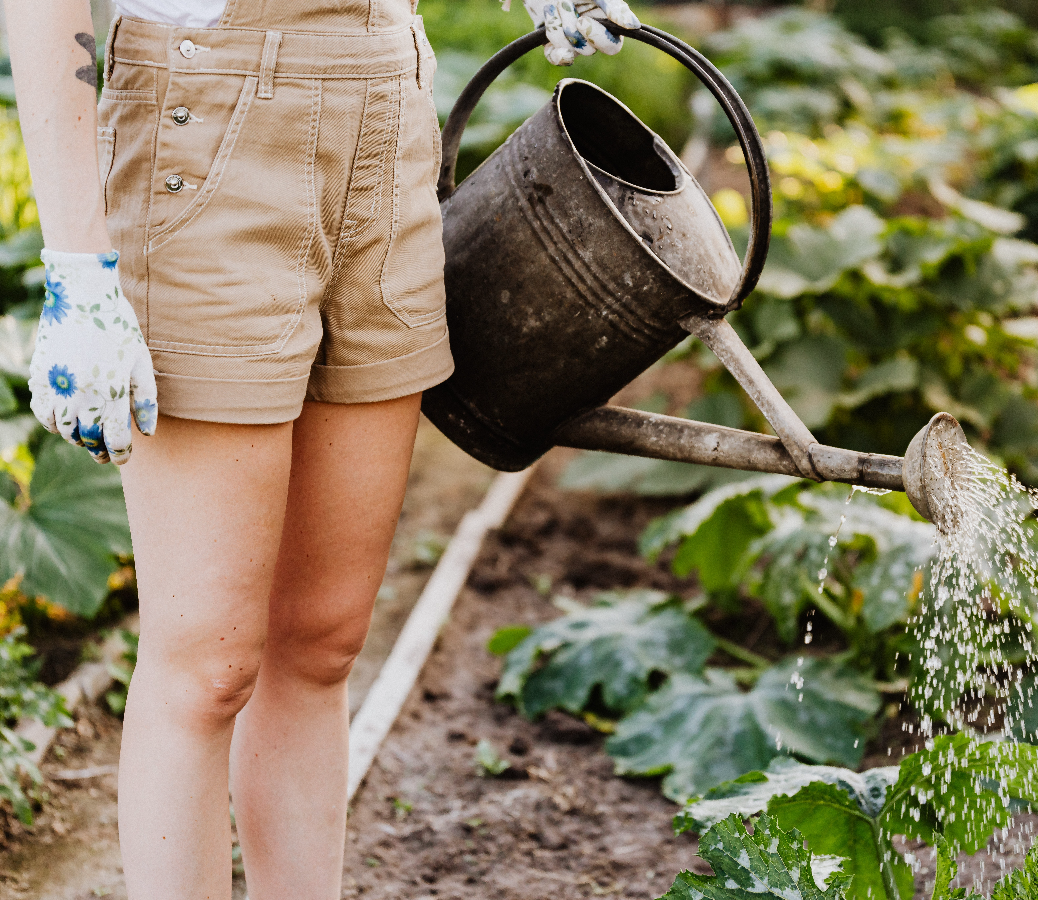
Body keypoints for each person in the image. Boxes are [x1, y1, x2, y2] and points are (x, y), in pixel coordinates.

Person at [4, 0, 638, 897]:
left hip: (386, 106)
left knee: (322, 643)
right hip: (209, 122)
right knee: (209, 664)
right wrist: (75, 265)